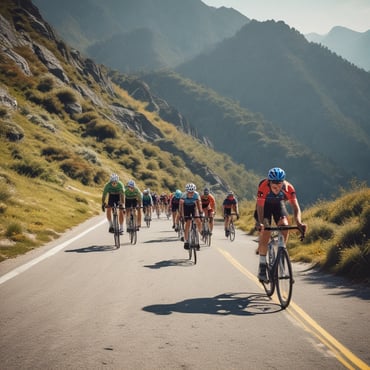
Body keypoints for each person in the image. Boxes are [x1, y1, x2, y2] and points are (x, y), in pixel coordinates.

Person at [255, 167, 306, 282]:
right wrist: (261, 223)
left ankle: (282, 251)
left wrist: (299, 222)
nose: (277, 187)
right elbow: (260, 207)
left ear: (283, 182)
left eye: (279, 184)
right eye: (274, 185)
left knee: (285, 225)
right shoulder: (263, 186)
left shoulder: (289, 188)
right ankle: (262, 267)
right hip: (265, 207)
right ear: (269, 182)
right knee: (266, 231)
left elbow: (296, 208)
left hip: (279, 205)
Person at [179, 183, 203, 250]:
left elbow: (199, 204)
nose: (191, 194)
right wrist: (181, 215)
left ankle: (200, 233)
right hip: (186, 207)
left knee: (198, 220)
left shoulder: (196, 194)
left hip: (193, 207)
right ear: (187, 191)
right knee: (188, 223)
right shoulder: (183, 195)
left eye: (192, 192)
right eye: (189, 193)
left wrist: (200, 213)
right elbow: (181, 206)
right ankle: (186, 241)